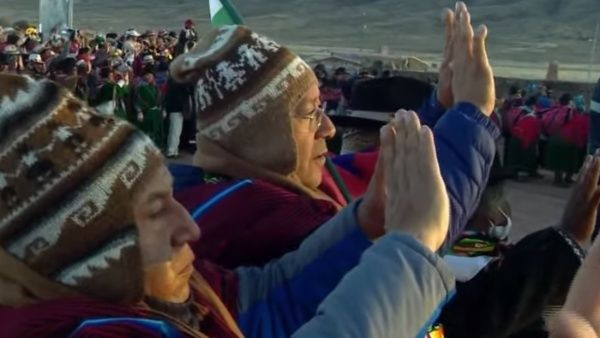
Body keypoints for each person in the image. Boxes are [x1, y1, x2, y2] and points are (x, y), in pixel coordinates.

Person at [0, 72, 454, 338]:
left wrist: (364, 225)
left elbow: (251, 297)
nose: (189, 228)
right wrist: (410, 250)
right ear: (76, 244)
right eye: (155, 210)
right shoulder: (100, 332)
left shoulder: (148, 286)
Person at [168, 4, 498, 269]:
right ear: (262, 134)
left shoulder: (217, 187)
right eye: (311, 112)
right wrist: (472, 115)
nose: (328, 128)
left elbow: (367, 171)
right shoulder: (268, 218)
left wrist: (441, 107)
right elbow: (406, 254)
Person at [542, 93, 582, 186]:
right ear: (569, 101)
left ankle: (558, 179)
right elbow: (577, 124)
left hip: (554, 137)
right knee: (570, 159)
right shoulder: (571, 110)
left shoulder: (555, 109)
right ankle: (564, 179)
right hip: (567, 138)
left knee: (558, 159)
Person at [504, 96, 543, 179]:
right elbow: (531, 134)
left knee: (513, 157)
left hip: (513, 134)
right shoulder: (532, 117)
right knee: (527, 156)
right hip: (523, 137)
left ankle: (512, 173)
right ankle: (526, 173)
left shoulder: (516, 110)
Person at [164, 76, 193, 158]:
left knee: (175, 131)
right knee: (175, 131)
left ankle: (174, 150)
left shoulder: (173, 82)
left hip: (176, 109)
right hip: (177, 109)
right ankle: (171, 151)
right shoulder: (178, 83)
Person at [134, 69, 164, 147]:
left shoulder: (156, 88)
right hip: (146, 112)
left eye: (150, 75)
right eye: (147, 75)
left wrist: (162, 109)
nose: (149, 77)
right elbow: (137, 100)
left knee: (156, 131)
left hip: (156, 113)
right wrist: (139, 112)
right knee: (145, 132)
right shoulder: (140, 88)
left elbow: (160, 99)